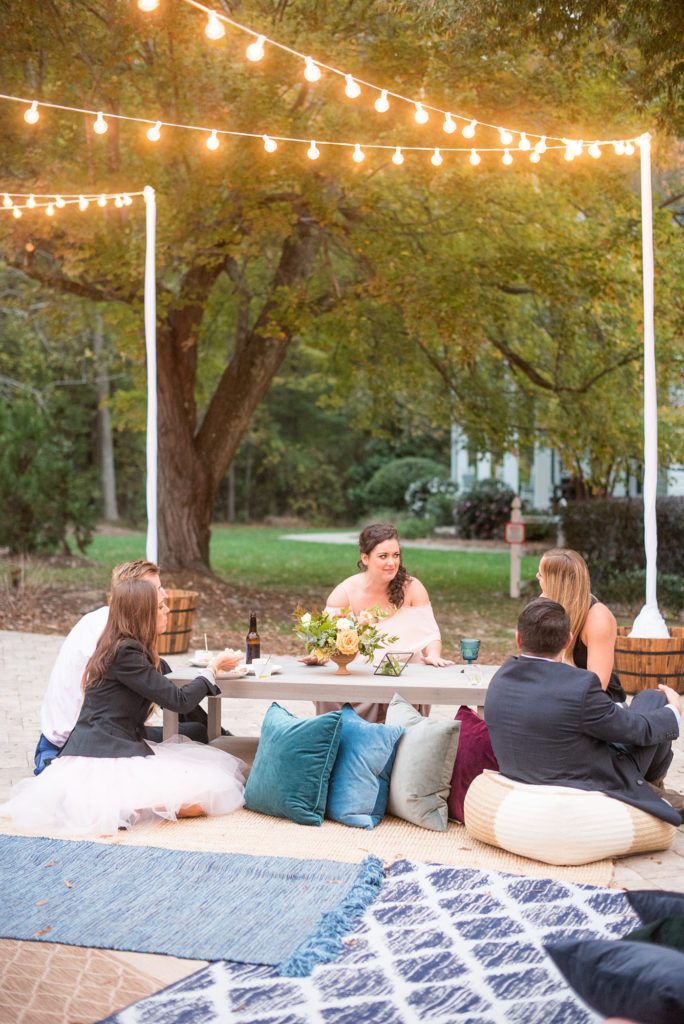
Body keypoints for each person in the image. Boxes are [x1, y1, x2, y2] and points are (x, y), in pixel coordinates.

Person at [1, 579, 245, 834]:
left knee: (197, 758)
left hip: (116, 741)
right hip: (105, 752)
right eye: (161, 606)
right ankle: (125, 807)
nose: (167, 611)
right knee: (204, 795)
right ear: (144, 614)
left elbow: (168, 692)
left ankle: (129, 807)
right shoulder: (126, 652)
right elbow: (177, 700)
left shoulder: (124, 647)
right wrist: (212, 669)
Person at [485, 597, 682, 826]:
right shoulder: (581, 685)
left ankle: (653, 786)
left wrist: (614, 711)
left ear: (518, 638)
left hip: (524, 770)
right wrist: (673, 711)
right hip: (586, 778)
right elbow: (634, 731)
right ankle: (650, 788)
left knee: (644, 705)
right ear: (568, 641)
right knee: (655, 699)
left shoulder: (500, 679)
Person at [34, 559, 208, 775]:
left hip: (92, 731)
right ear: (134, 594)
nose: (164, 595)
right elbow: (168, 697)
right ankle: (214, 731)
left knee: (165, 674)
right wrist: (208, 676)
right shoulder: (113, 636)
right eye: (155, 589)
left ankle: (215, 730)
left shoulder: (109, 621)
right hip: (77, 740)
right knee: (195, 734)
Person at [316, 522, 452, 723]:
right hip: (360, 680)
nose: (392, 562)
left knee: (404, 696)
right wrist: (318, 653)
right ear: (365, 558)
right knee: (327, 693)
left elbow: (430, 636)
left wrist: (433, 654)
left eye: (395, 555)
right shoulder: (345, 593)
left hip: (402, 679)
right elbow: (324, 642)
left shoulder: (413, 588)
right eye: (383, 556)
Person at [537, 547, 627, 702]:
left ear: (555, 583)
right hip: (556, 695)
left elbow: (597, 688)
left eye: (541, 574)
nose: (536, 577)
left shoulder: (598, 619)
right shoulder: (545, 605)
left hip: (596, 705)